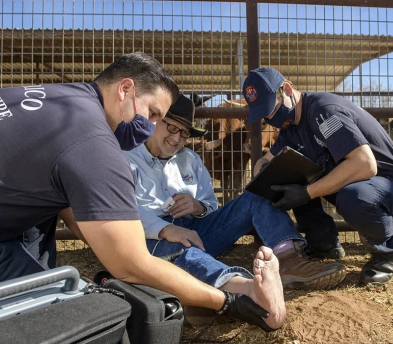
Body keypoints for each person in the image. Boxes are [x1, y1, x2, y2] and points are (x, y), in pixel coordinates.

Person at [0, 52, 283, 332]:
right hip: (151, 236)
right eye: (154, 114)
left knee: (42, 276)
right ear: (125, 90)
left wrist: (109, 241)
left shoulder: (66, 98)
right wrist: (226, 302)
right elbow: (130, 264)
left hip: (4, 213)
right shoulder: (95, 144)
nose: (150, 126)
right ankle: (242, 290)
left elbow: (69, 206)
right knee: (52, 319)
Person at [125, 94, 346, 293]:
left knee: (257, 196)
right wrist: (164, 229)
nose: (177, 138)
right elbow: (121, 214)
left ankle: (289, 259)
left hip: (197, 233)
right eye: (171, 127)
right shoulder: (126, 159)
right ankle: (242, 287)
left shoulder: (190, 159)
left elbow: (210, 204)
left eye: (184, 133)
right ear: (154, 120)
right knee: (176, 252)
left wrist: (198, 207)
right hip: (149, 239)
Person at [241, 67, 393, 285]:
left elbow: (365, 165)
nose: (270, 118)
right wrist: (261, 177)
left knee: (353, 195)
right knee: (287, 174)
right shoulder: (291, 129)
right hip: (361, 186)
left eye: (272, 108)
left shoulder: (323, 111)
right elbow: (266, 161)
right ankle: (323, 242)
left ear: (286, 89)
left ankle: (386, 252)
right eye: (264, 114)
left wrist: (306, 193)